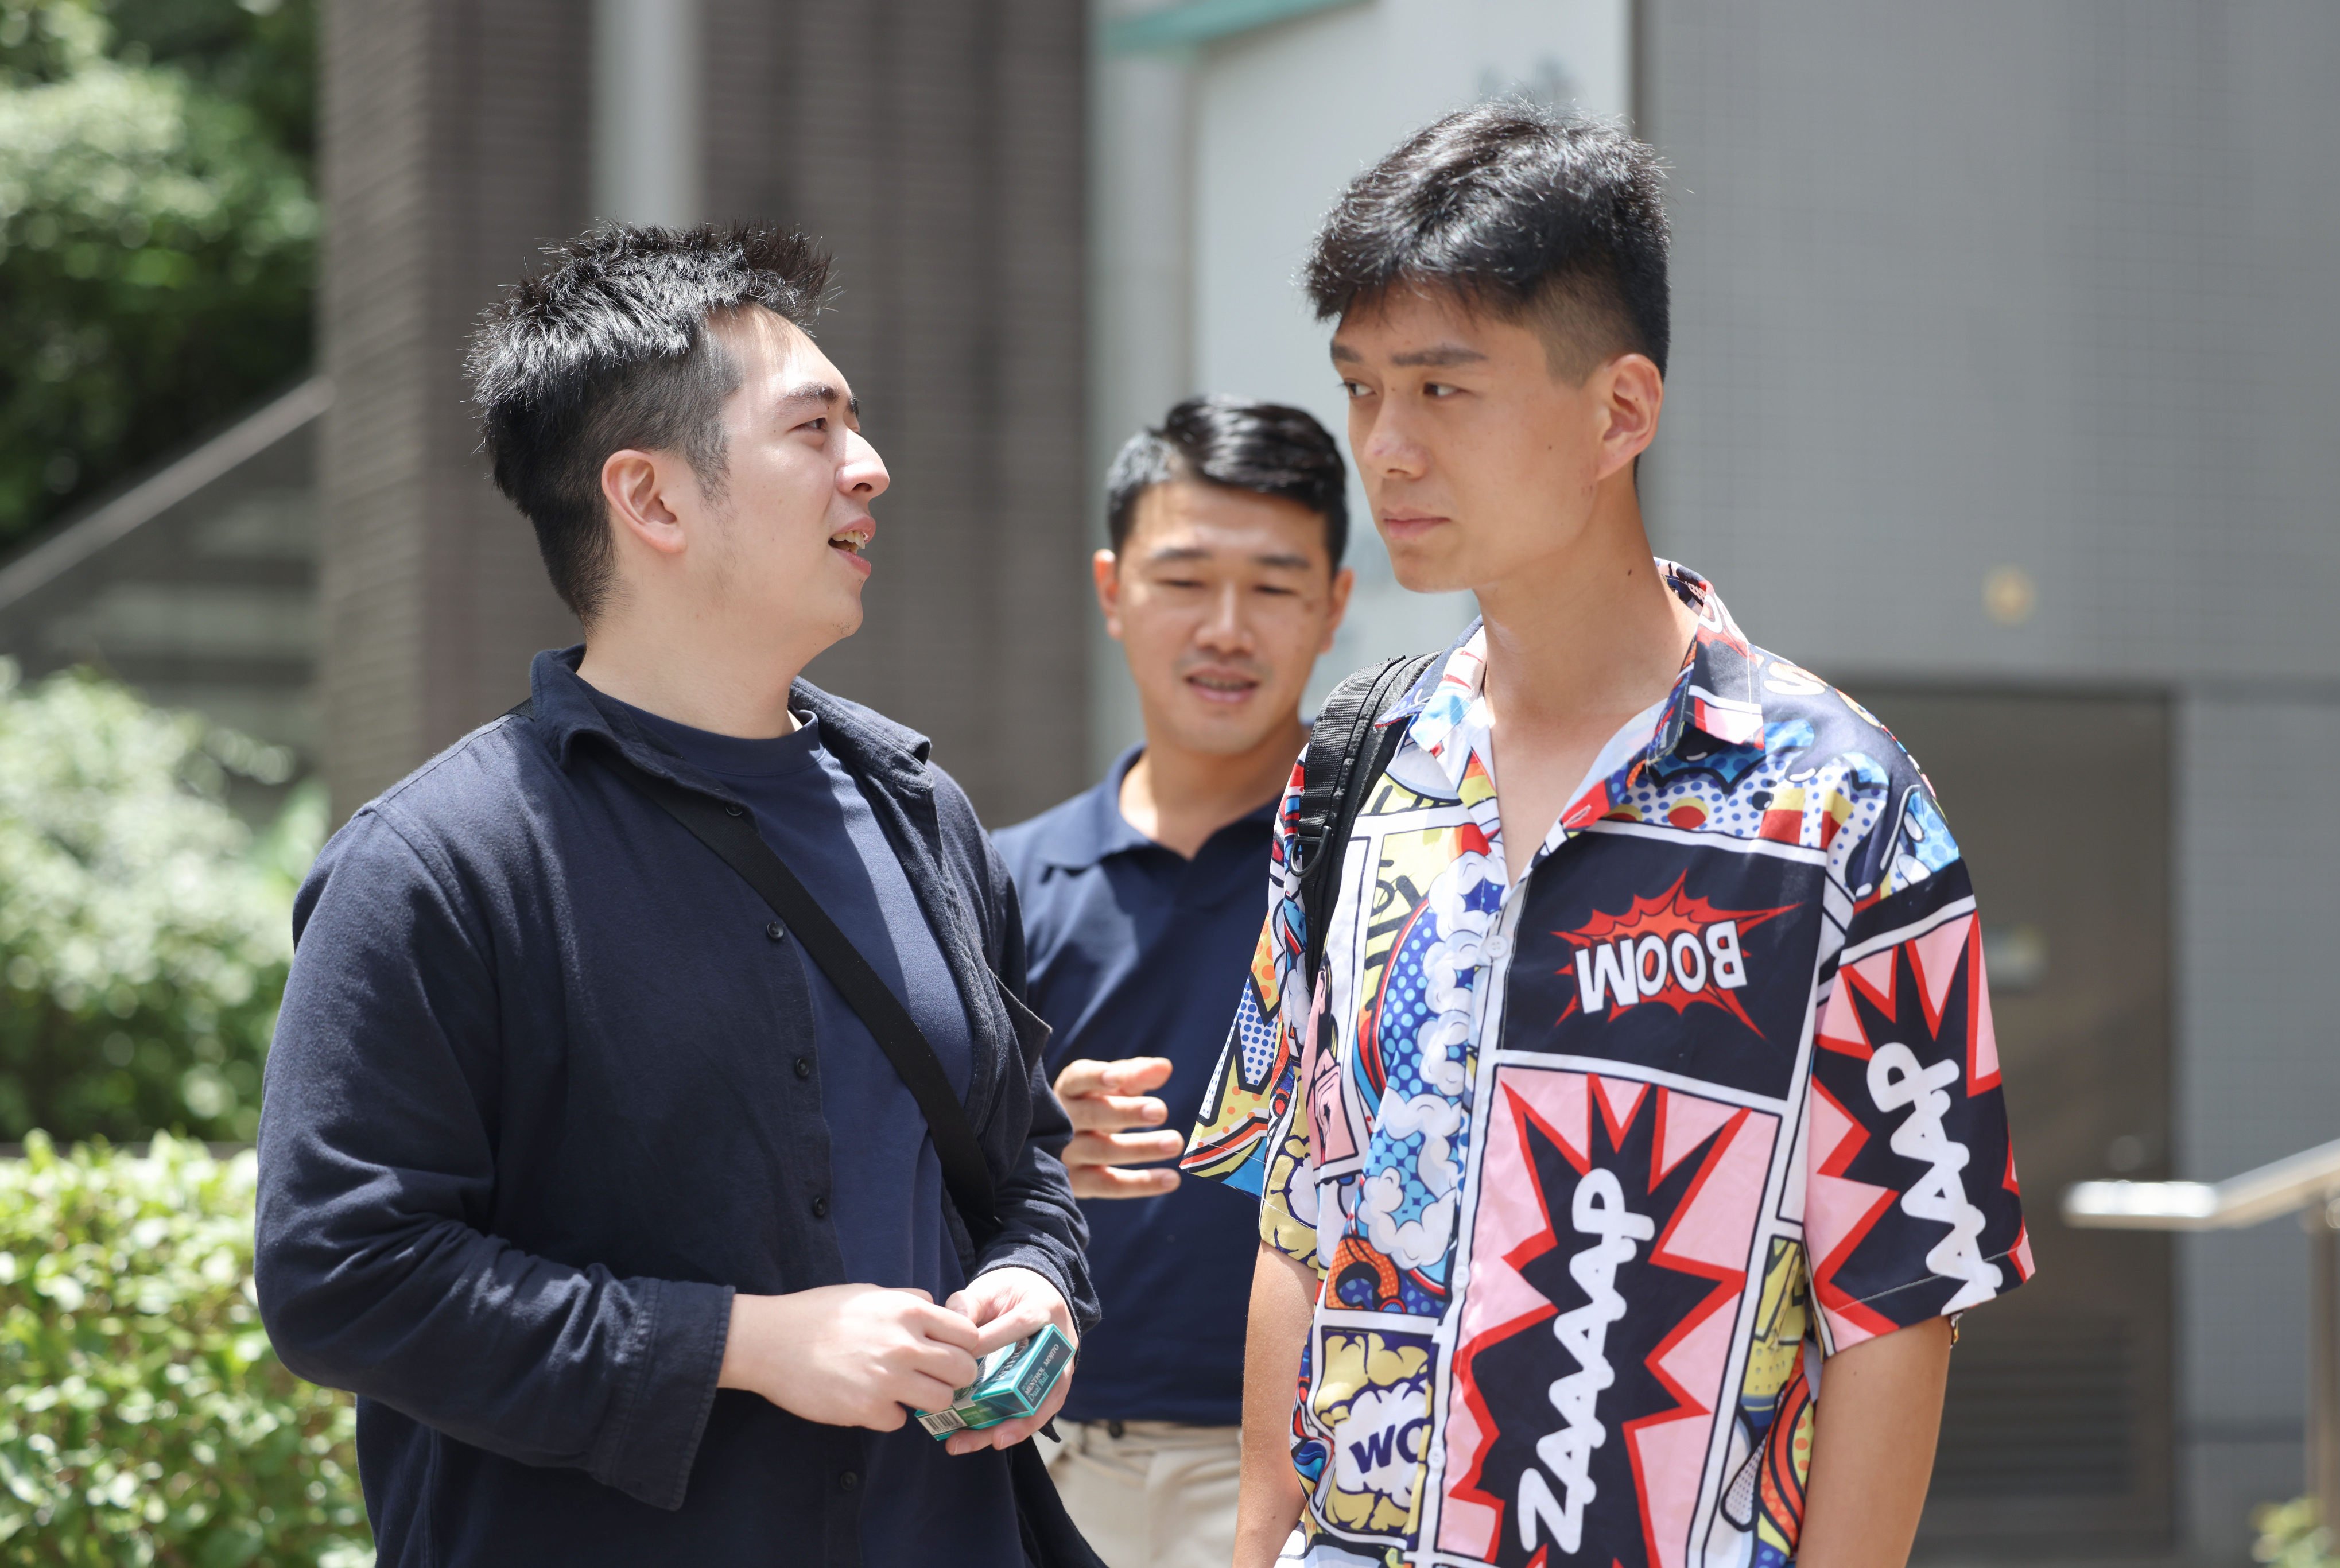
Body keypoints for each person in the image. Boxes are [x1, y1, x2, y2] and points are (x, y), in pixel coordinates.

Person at [1181, 104, 2032, 1568]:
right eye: (1361, 387)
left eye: (1444, 389)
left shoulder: (1839, 805)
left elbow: (1900, 1296)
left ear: (1619, 411)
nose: (1383, 448)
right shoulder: (1353, 766)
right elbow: (1298, 1211)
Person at [253, 224, 1096, 1567]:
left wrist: (1032, 1284)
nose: (869, 467)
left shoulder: (918, 808)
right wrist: (745, 1344)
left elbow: (1020, 1164)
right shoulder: (438, 863)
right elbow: (341, 1278)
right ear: (649, 500)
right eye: (812, 428)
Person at [996, 397, 1356, 1568]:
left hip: (1320, 1474)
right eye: (1183, 578)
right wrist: (1034, 1150)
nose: (1226, 628)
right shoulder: (998, 881)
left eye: (1273, 584)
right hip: (1044, 1460)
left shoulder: (1388, 863)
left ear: (1335, 605)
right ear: (1110, 590)